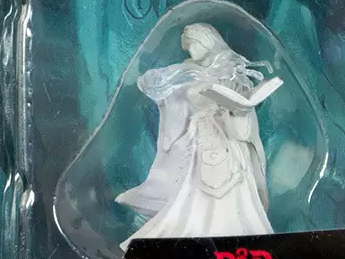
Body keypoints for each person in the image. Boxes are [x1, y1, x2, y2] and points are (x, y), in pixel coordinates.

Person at [116, 23, 277, 246]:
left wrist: (239, 111)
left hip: (229, 140)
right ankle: (193, 238)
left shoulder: (231, 69)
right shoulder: (185, 72)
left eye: (194, 45)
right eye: (188, 46)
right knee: (195, 189)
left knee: (233, 189)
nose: (191, 51)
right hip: (200, 138)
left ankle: (240, 239)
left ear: (208, 42)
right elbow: (174, 103)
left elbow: (242, 112)